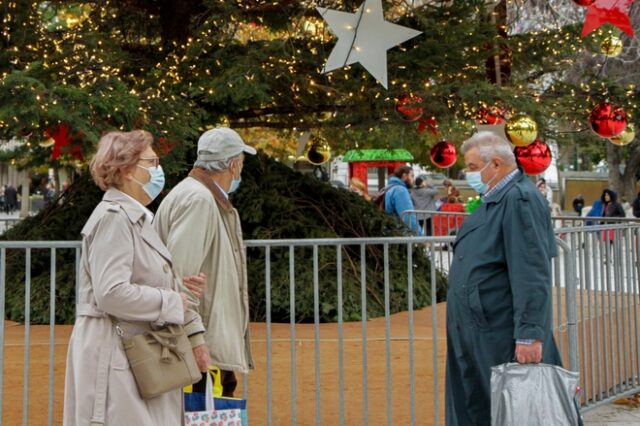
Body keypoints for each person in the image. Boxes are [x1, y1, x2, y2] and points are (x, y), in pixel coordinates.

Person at [63, 130, 206, 425]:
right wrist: (171, 300)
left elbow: (135, 278)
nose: (158, 169)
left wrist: (177, 286)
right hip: (116, 356)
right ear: (127, 169)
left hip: (133, 354)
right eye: (152, 162)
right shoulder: (114, 218)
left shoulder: (132, 217)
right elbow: (112, 293)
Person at [445, 131, 579, 425]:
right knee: (483, 406)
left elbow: (531, 270)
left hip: (500, 328)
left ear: (494, 164)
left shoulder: (519, 200)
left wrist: (529, 333)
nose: (468, 174)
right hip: (481, 326)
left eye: (470, 167)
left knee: (516, 411)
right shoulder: (497, 198)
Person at [155, 127, 255, 397]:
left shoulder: (197, 195)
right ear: (233, 164)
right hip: (202, 349)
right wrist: (196, 340)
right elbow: (181, 278)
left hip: (203, 343)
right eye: (241, 163)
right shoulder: (199, 200)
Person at [383, 165, 421, 235]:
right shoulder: (400, 190)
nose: (414, 179)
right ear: (404, 176)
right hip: (399, 233)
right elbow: (408, 217)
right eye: (412, 176)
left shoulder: (388, 187)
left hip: (390, 232)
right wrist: (419, 235)